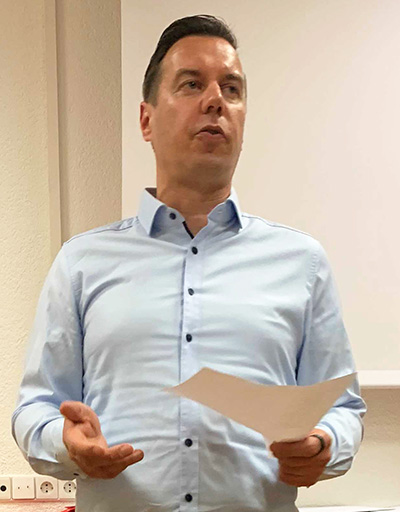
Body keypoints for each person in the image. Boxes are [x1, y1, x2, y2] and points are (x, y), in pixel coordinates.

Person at [12, 14, 366, 512]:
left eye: (232, 89)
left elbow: (343, 408)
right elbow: (36, 408)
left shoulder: (302, 263)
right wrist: (65, 443)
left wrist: (324, 445)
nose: (216, 100)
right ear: (146, 120)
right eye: (192, 84)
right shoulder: (82, 262)